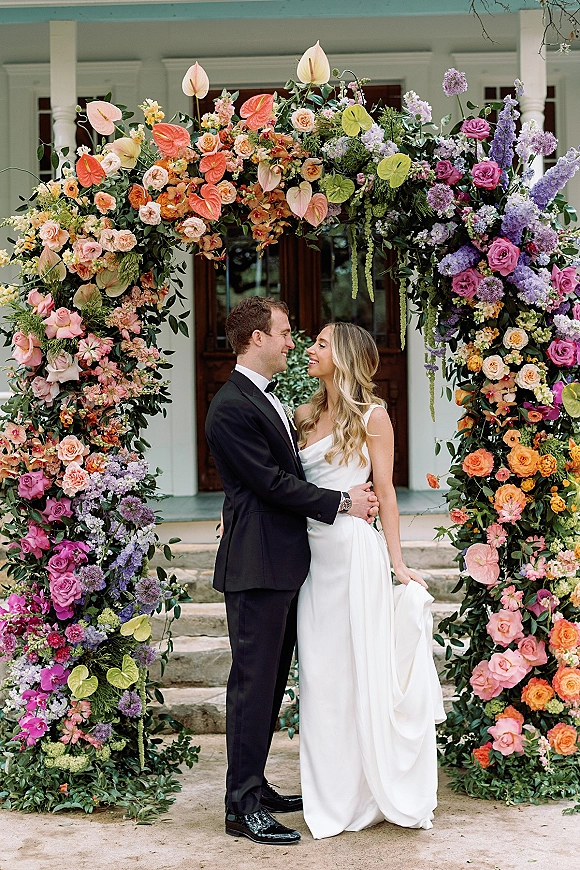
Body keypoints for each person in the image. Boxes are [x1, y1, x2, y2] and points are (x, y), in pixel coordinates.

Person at [205, 297, 379, 846]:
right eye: (283, 333)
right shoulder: (231, 406)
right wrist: (342, 502)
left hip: (282, 564)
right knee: (253, 686)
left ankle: (255, 787)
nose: (291, 342)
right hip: (256, 564)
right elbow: (271, 484)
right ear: (257, 338)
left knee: (272, 683)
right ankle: (241, 806)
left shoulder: (271, 400)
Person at [295, 322, 445, 839]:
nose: (309, 349)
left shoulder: (374, 417)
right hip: (311, 558)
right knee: (320, 675)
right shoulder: (306, 414)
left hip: (354, 555)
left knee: (355, 670)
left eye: (320, 343)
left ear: (345, 356)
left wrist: (397, 563)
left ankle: (362, 791)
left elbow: (386, 492)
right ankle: (329, 793)